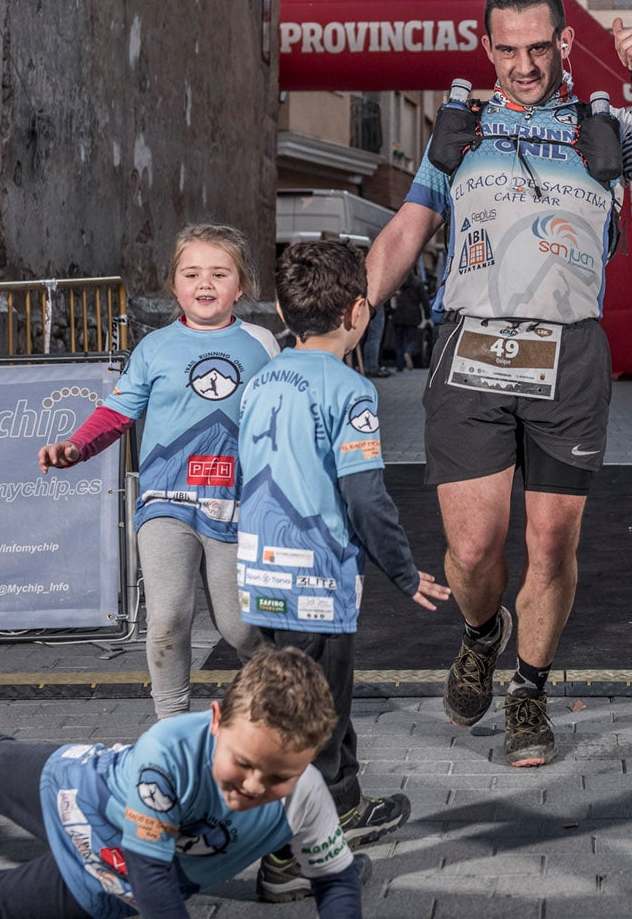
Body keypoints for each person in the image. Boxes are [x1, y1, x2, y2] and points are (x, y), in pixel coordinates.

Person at [364, 0, 632, 767]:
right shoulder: (460, 129)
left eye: (539, 47)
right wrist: (345, 325)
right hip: (474, 346)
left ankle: (529, 690)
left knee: (551, 544)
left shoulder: (612, 124)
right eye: (508, 49)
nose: (524, 65)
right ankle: (481, 632)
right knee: (475, 550)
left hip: (570, 354)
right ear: (487, 49)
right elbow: (406, 232)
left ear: (563, 42)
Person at [0, 646, 365, 918]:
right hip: (70, 787)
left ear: (309, 760)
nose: (256, 786)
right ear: (216, 720)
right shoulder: (168, 752)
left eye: (280, 775)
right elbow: (154, 877)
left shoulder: (307, 798)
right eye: (244, 763)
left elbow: (337, 886)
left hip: (100, 888)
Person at [236, 240, 453, 899]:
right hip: (315, 583)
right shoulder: (352, 391)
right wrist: (406, 572)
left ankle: (347, 806)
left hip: (262, 578)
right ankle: (292, 859)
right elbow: (366, 496)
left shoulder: (258, 381)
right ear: (360, 311)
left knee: (314, 704)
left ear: (280, 307)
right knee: (310, 726)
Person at [39, 224, 271, 718]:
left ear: (242, 285)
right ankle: (171, 724)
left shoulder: (262, 345)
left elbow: (281, 419)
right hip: (166, 502)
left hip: (237, 506)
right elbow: (117, 412)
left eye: (219, 273)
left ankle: (281, 689)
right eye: (192, 273)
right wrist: (77, 447)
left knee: (240, 629)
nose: (204, 284)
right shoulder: (153, 348)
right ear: (174, 284)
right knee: (167, 618)